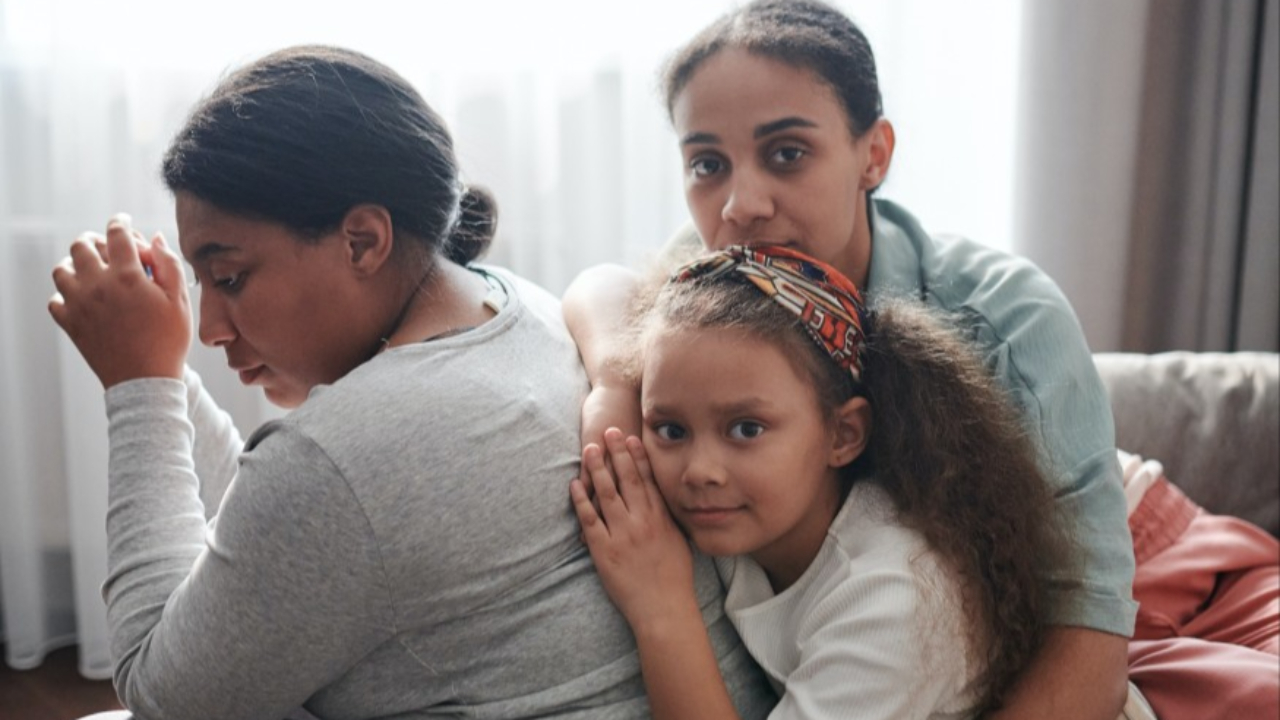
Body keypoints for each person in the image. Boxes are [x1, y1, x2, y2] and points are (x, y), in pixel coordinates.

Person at [48, 45, 774, 719]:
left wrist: (138, 384)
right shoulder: (508, 304)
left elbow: (160, 696)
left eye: (231, 277)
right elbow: (282, 535)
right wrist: (159, 369)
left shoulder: (349, 458)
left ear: (363, 240)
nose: (209, 326)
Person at [562, 1, 1137, 717]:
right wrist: (616, 405)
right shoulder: (724, 265)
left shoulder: (1005, 316)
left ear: (874, 154)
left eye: (786, 153)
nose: (741, 204)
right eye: (707, 164)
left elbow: (1089, 631)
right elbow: (603, 288)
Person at [570, 244, 1072, 718]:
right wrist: (614, 384)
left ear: (843, 434)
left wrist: (661, 606)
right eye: (671, 429)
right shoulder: (744, 509)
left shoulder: (893, 598)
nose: (700, 470)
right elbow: (601, 287)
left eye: (746, 429)